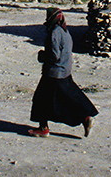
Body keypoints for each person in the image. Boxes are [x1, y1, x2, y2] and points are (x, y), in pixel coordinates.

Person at [28, 8, 98, 138]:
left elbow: (54, 55)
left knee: (40, 99)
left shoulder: (54, 32)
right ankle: (85, 118)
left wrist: (42, 56)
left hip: (53, 73)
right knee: (69, 98)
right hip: (65, 71)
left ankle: (43, 129)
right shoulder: (65, 32)